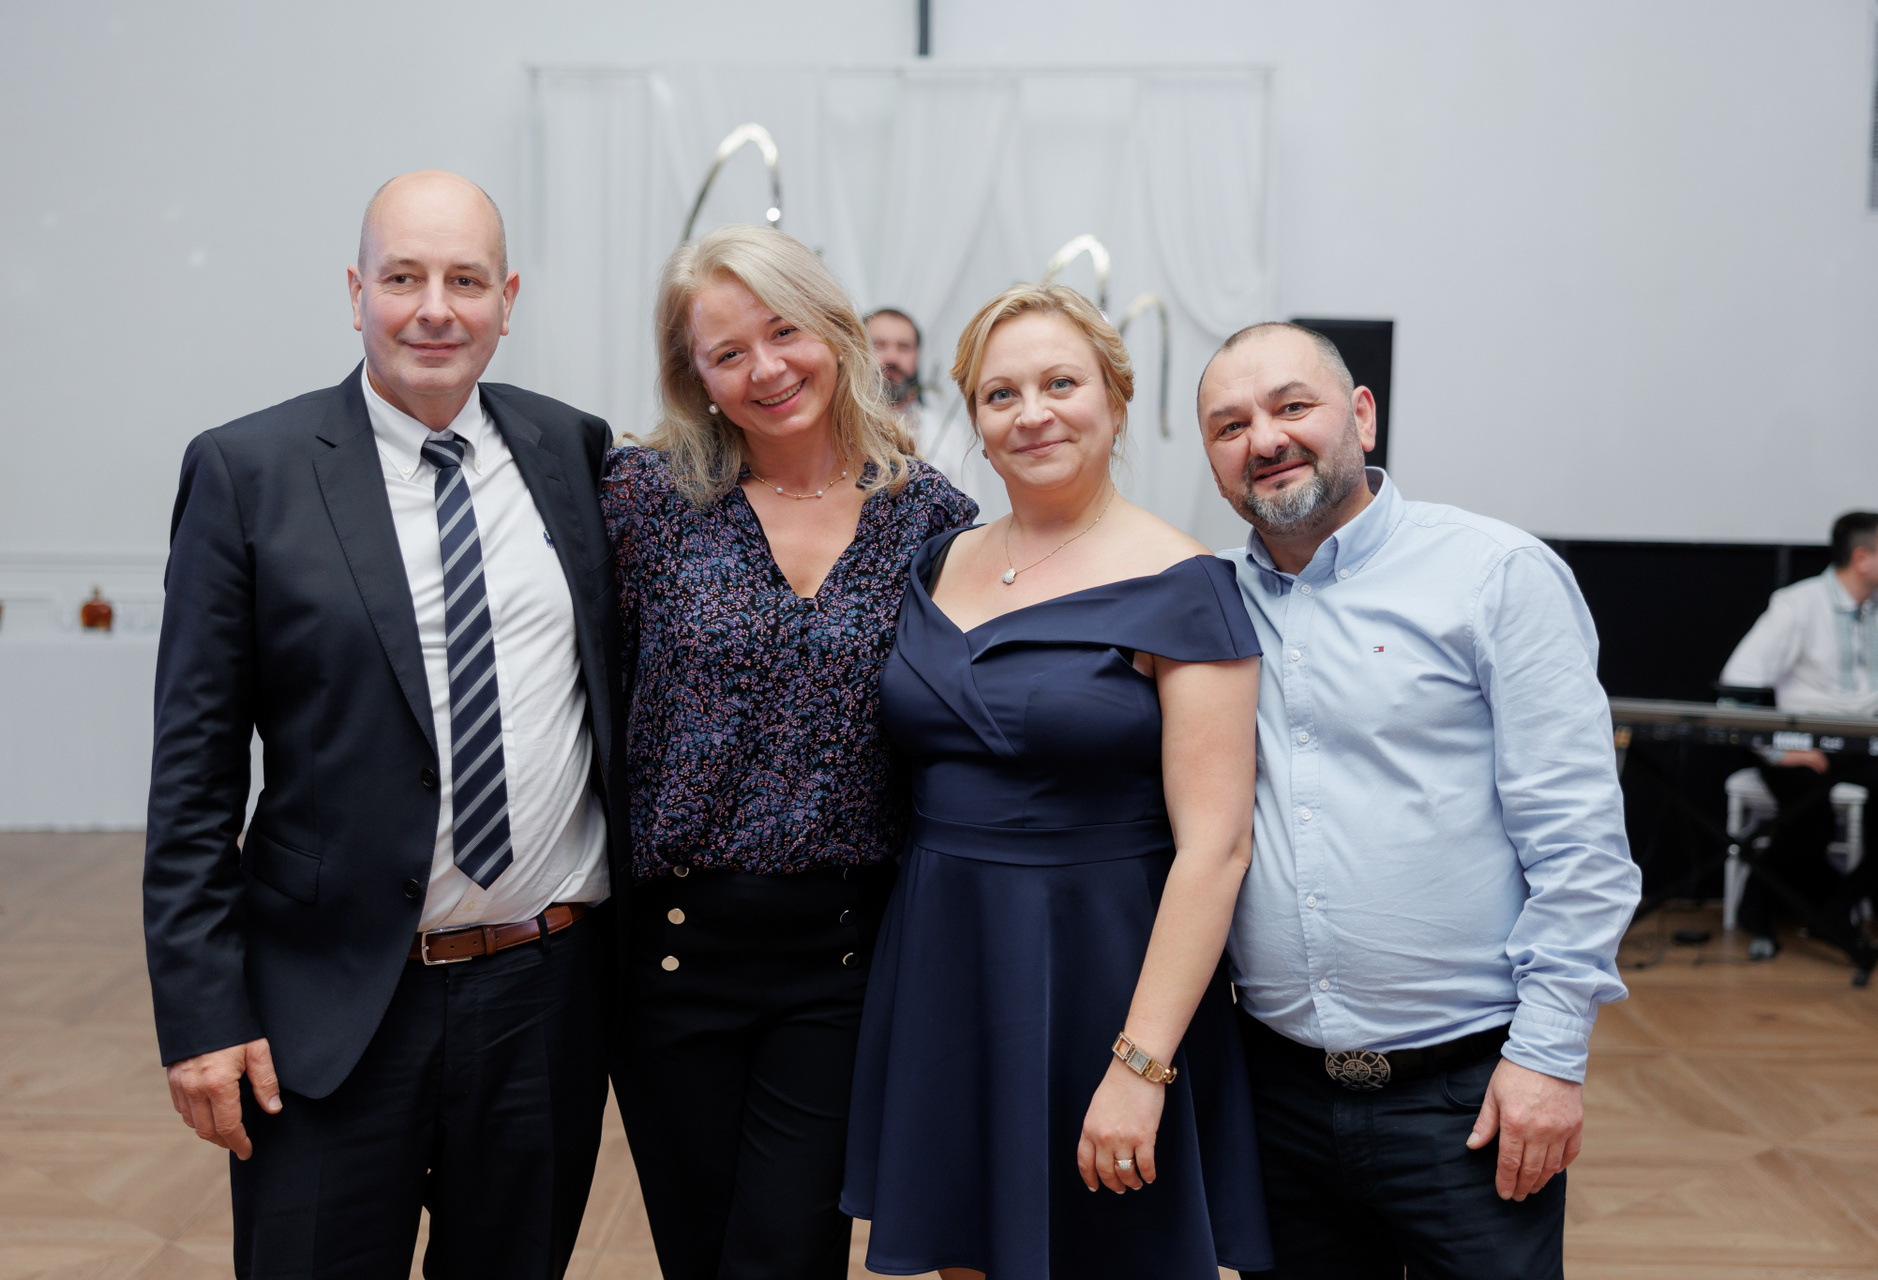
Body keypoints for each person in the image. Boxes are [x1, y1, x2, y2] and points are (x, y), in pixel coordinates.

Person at [144, 170, 626, 1277]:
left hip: (545, 998)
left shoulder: (575, 451)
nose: (434, 310)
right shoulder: (248, 472)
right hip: (330, 1008)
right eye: (403, 278)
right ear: (356, 291)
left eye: (466, 280)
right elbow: (193, 778)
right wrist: (202, 1015)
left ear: (508, 299)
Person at [843, 283, 1274, 1280]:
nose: (1032, 413)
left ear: (1115, 402)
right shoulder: (935, 562)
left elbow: (1217, 847)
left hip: (1106, 970)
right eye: (1001, 394)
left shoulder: (1183, 584)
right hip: (949, 961)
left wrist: (1141, 1063)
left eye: (1061, 384)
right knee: (969, 1251)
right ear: (976, 423)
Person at [1197, 322, 1642, 1280]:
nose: (1264, 439)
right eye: (1229, 426)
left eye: (1291, 406)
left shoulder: (1495, 575)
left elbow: (1580, 845)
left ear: (1361, 415)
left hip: (1468, 1097)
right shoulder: (1211, 604)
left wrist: (1549, 1057)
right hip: (1272, 1095)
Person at [602, 225, 976, 1280]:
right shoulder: (642, 501)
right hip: (671, 955)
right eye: (728, 353)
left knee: (787, 1249)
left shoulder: (930, 517)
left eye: (783, 332)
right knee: (701, 1252)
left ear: (834, 329)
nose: (766, 369)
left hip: (843, 956)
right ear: (697, 378)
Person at [1720, 512, 1878, 963]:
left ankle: (1835, 908)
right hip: (1801, 745)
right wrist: (1776, 752)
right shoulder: (1797, 605)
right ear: (1862, 558)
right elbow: (1737, 688)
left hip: (1867, 744)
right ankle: (1759, 907)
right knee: (1810, 818)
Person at [866, 307, 973, 490]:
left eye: (904, 347)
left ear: (917, 356)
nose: (892, 358)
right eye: (878, 345)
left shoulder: (948, 433)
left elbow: (967, 503)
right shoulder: (833, 429)